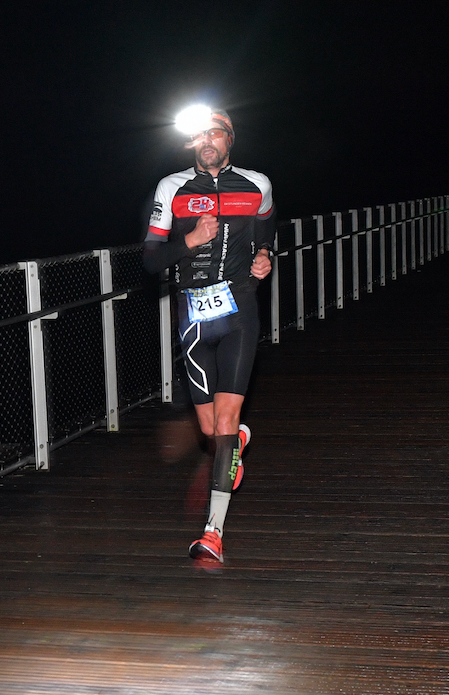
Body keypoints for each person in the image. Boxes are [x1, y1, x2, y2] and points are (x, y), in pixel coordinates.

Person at [142, 109, 274, 564]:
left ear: (229, 139)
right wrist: (192, 240)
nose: (207, 141)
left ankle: (213, 531)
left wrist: (264, 254)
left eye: (215, 133)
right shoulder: (171, 187)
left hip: (239, 312)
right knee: (210, 430)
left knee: (222, 423)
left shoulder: (257, 184)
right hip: (194, 315)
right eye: (198, 135)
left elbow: (266, 229)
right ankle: (233, 444)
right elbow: (150, 261)